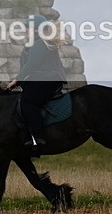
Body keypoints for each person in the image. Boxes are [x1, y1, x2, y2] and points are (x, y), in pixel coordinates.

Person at [6, 15, 67, 147]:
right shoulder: (34, 44)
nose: (25, 30)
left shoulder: (40, 43)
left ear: (36, 29)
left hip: (49, 79)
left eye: (27, 27)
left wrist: (16, 80)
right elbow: (26, 66)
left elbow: (32, 65)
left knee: (27, 102)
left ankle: (38, 138)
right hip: (43, 78)